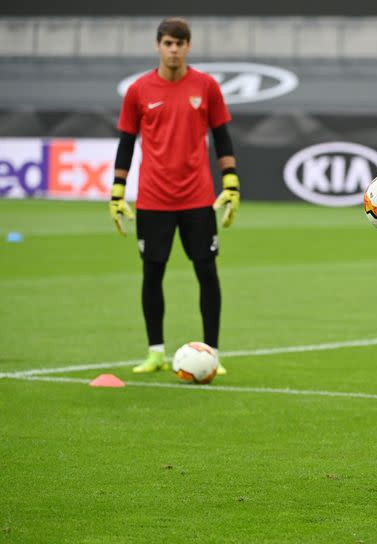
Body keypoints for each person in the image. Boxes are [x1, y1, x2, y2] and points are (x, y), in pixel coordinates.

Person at [109, 17, 241, 375]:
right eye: (168, 43)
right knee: (152, 273)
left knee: (207, 272)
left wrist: (230, 183)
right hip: (153, 199)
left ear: (188, 46)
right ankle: (155, 353)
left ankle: (211, 352)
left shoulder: (206, 86)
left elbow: (222, 136)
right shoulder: (139, 90)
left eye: (180, 43)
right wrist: (117, 190)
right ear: (158, 45)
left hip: (198, 197)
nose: (174, 49)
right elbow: (125, 141)